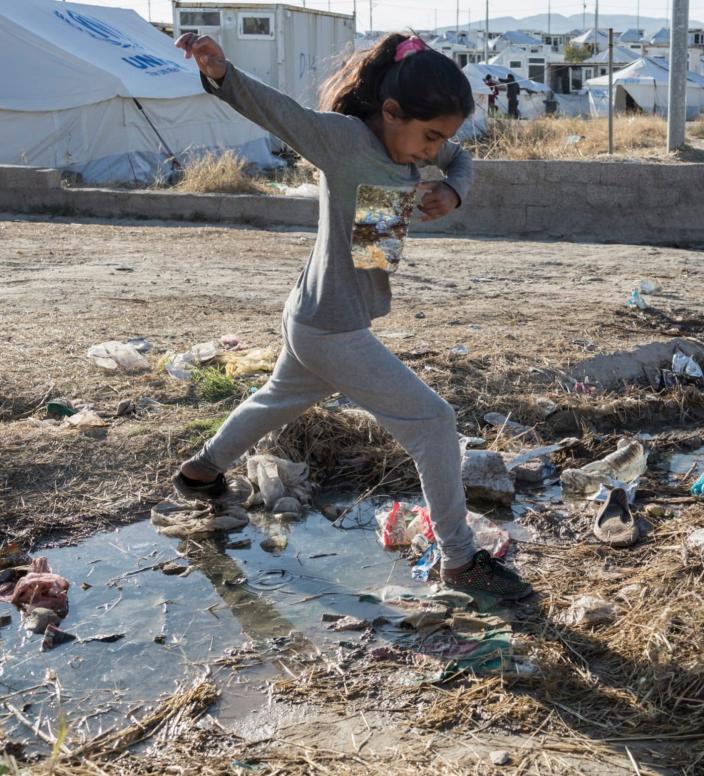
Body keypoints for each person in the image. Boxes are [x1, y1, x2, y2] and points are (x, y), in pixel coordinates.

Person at [172, 31, 532, 601]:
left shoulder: (415, 147)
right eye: (428, 136)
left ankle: (200, 473)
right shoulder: (342, 141)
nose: (432, 150)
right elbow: (280, 113)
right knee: (434, 423)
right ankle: (460, 560)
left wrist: (453, 193)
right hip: (330, 325)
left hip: (318, 313)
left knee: (275, 400)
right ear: (390, 112)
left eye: (440, 138)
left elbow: (461, 159)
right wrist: (222, 74)